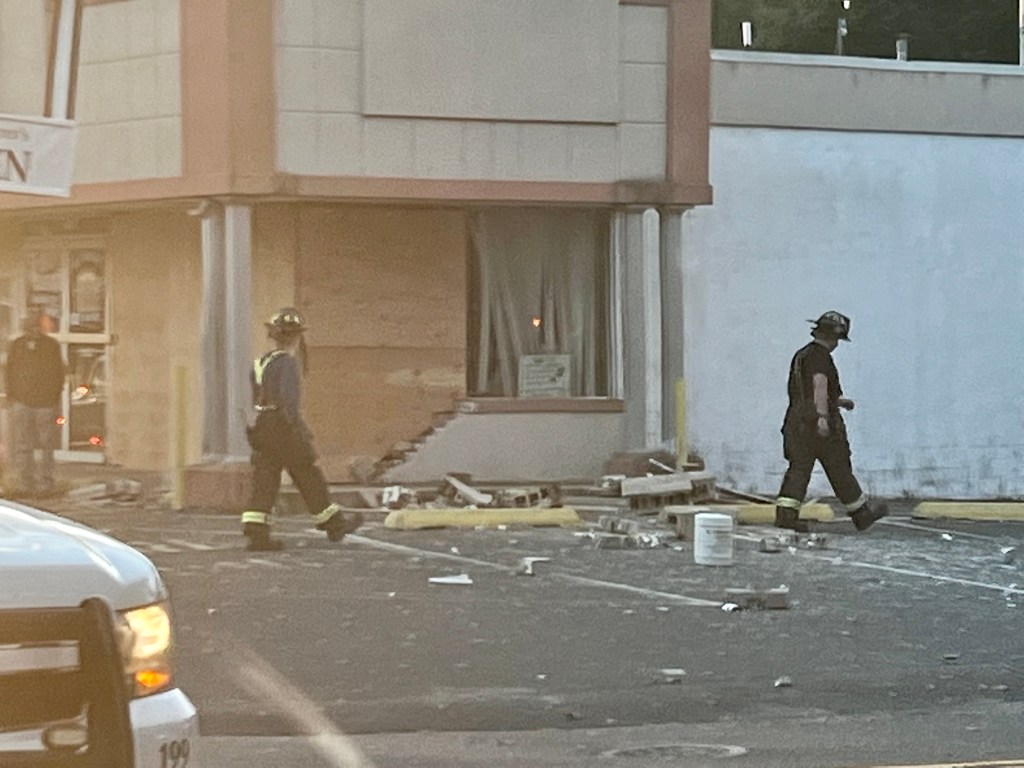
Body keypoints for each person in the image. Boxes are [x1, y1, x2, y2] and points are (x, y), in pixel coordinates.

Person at [240, 307, 363, 551]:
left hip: (262, 426)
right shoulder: (288, 364)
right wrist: (300, 431)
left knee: (265, 479)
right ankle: (333, 524)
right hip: (282, 426)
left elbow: (253, 399)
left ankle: (256, 533)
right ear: (297, 337)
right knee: (307, 472)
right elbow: (289, 402)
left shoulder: (259, 363)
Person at [774, 311, 887, 533]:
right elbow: (818, 386)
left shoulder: (802, 355)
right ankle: (861, 515)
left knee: (798, 470)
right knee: (839, 469)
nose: (837, 345)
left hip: (797, 424)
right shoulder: (820, 357)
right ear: (832, 337)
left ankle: (786, 516)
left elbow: (805, 390)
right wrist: (823, 420)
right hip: (817, 425)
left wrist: (839, 401)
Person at [5, 310, 66, 498]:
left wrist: (53, 395)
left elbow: (58, 372)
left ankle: (45, 483)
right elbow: (9, 371)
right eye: (28, 326)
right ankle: (26, 483)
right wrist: (12, 396)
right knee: (23, 444)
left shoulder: (51, 346)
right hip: (22, 402)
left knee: (46, 445)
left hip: (45, 404)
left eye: (34, 325)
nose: (32, 329)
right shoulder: (18, 345)